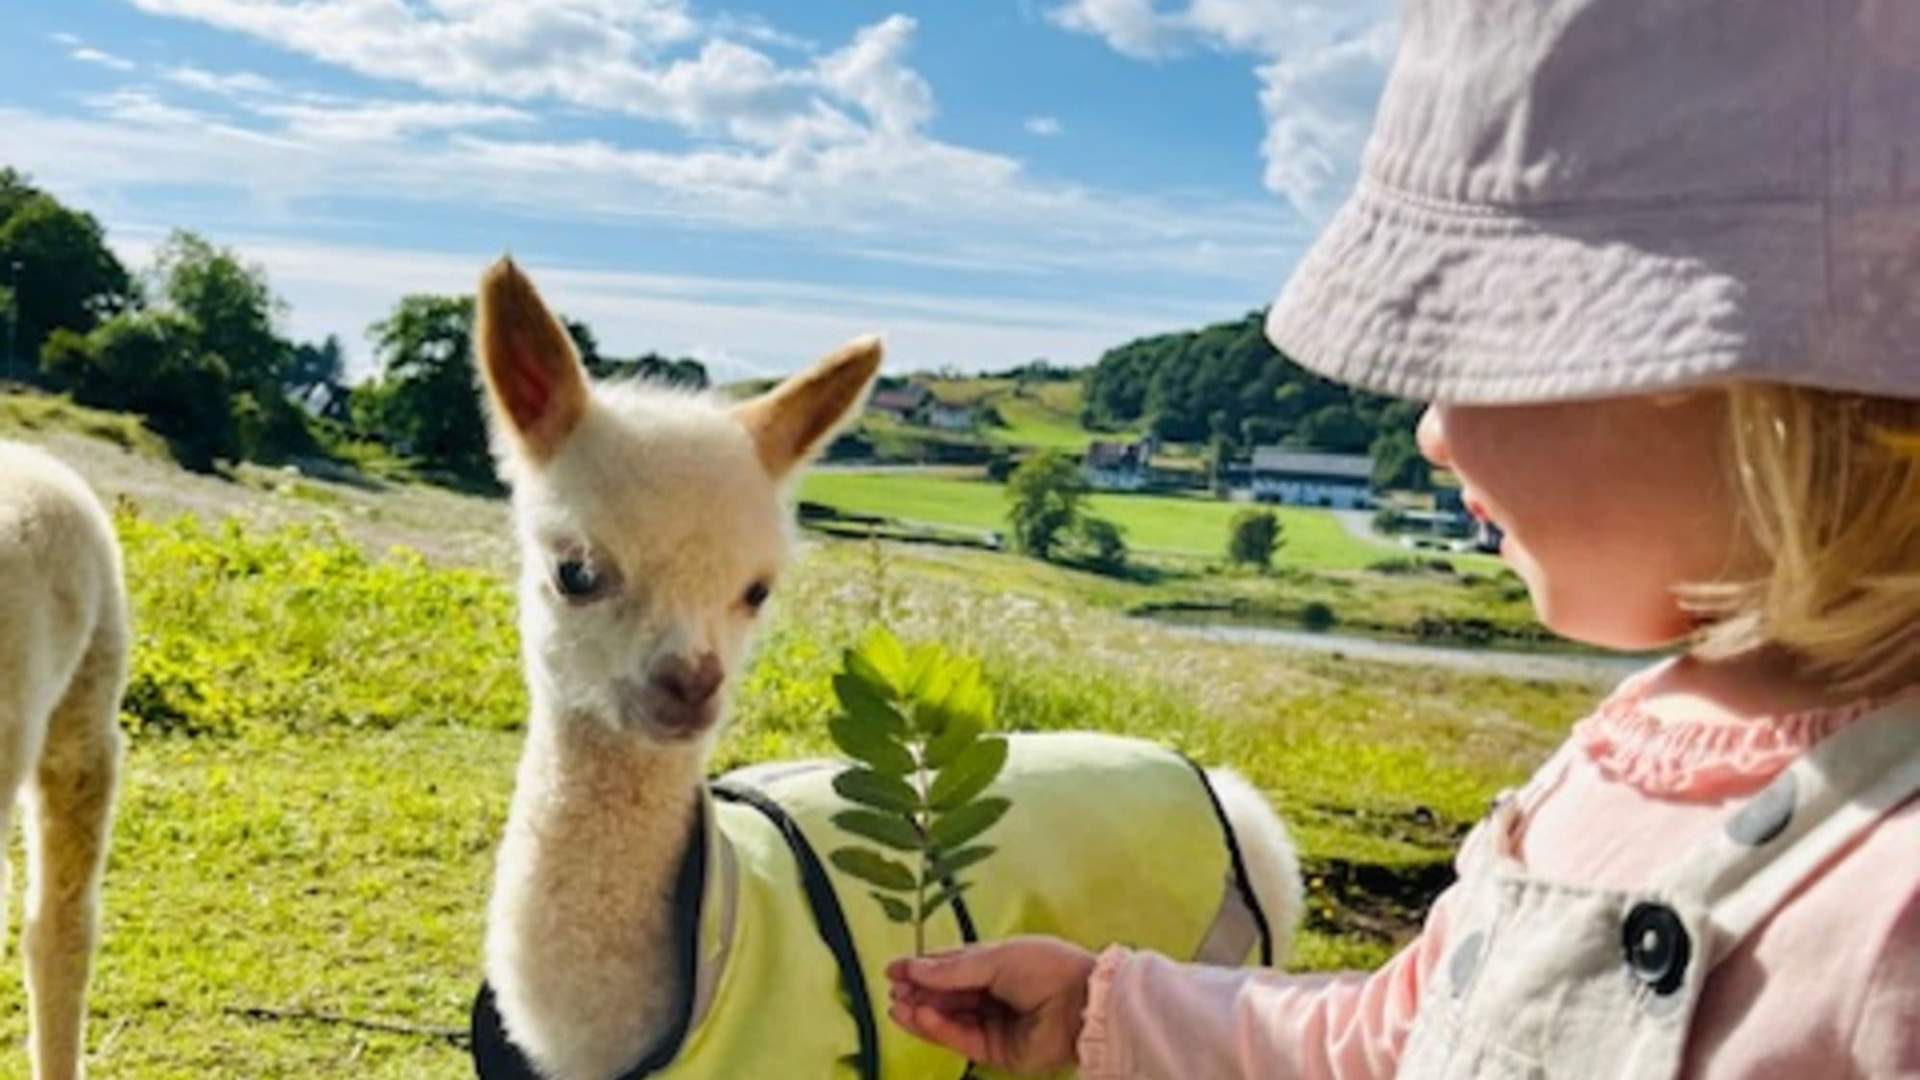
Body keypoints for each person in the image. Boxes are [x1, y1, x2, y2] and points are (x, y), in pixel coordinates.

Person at [886, 1, 1920, 1075]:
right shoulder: (1628, 739)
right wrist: (1103, 1011)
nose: (1428, 434)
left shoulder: (1893, 900)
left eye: (1461, 361)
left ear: (1722, 378)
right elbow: (1401, 1039)